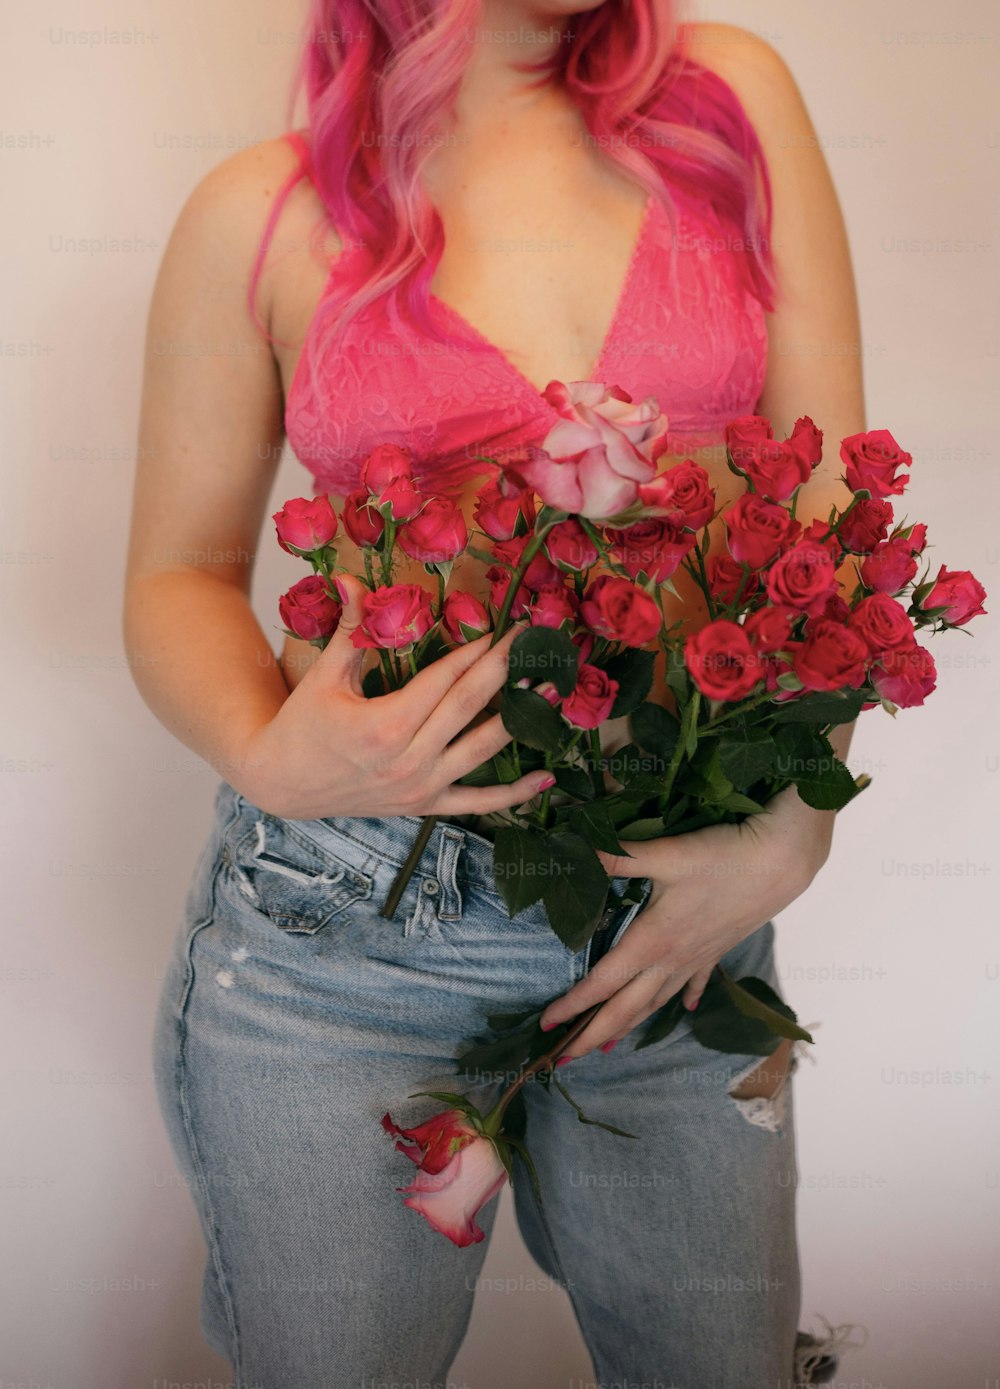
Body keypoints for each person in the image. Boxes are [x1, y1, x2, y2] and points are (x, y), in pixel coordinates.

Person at [125, 3, 870, 1384]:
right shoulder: (261, 211)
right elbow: (178, 573)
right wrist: (269, 755)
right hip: (338, 939)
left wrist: (794, 825)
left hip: (681, 921)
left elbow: (832, 511)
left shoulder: (730, 108)